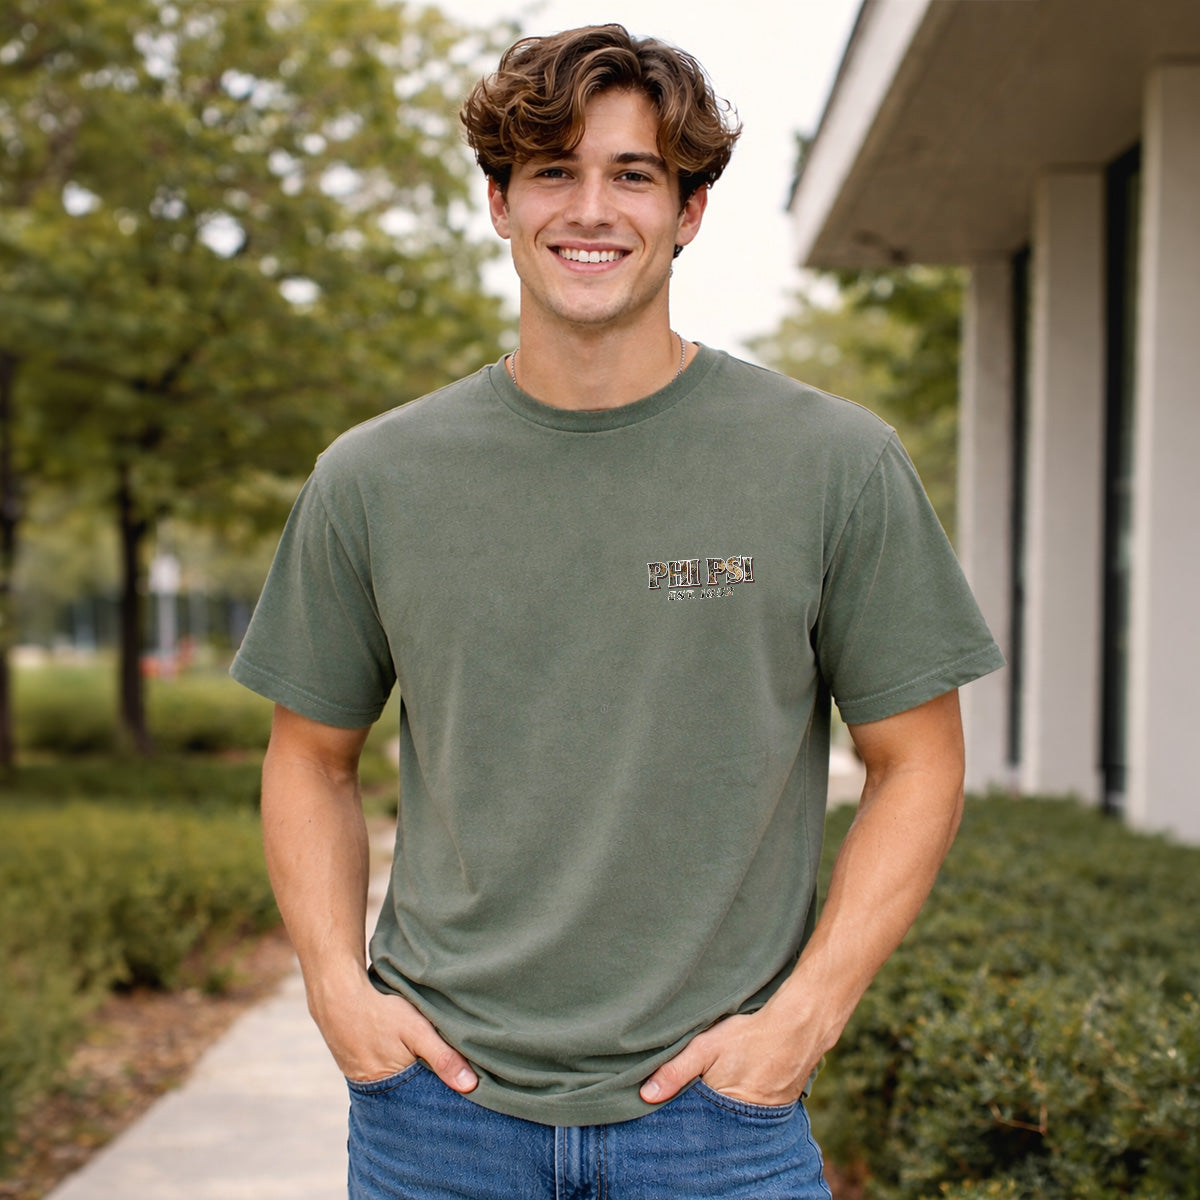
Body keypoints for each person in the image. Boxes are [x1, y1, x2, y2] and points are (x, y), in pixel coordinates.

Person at [231, 23, 1004, 1199]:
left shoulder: (833, 464)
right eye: (553, 171)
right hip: (439, 1119)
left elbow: (919, 763)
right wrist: (337, 990)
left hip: (719, 1126)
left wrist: (807, 1017)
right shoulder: (375, 479)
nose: (591, 210)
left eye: (633, 175)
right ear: (500, 201)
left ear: (688, 211)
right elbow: (310, 757)